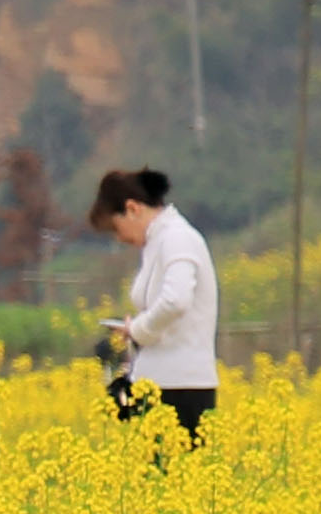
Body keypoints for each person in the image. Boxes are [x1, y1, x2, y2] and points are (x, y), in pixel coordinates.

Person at [90, 167, 222, 437]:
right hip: (156, 383)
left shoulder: (177, 238)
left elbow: (175, 301)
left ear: (132, 209)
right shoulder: (159, 242)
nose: (119, 238)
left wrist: (138, 330)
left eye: (116, 228)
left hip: (181, 388)